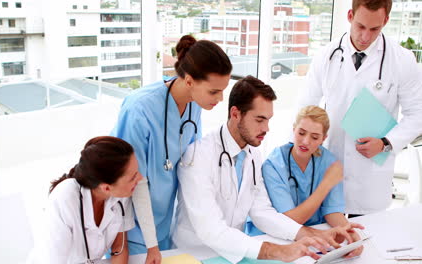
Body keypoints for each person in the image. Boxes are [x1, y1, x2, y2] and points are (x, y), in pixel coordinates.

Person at [173, 76, 363, 264]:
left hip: (235, 253)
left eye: (268, 120)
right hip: (195, 255)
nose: (267, 128)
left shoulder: (253, 155)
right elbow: (211, 229)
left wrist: (315, 235)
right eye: (259, 120)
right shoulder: (198, 156)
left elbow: (261, 211)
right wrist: (278, 251)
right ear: (235, 114)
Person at [111, 35, 232, 263]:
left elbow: (189, 160)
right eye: (214, 92)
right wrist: (150, 244)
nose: (220, 98)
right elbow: (132, 182)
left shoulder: (195, 105)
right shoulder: (139, 109)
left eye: (223, 90)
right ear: (189, 81)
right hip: (132, 229)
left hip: (165, 225)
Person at [299, 0, 422, 216]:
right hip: (328, 171)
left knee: (366, 243)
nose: (365, 36)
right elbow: (305, 107)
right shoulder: (326, 56)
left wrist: (386, 143)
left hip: (371, 181)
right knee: (327, 244)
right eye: (360, 26)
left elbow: (417, 115)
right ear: (349, 16)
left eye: (374, 29)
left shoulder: (402, 60)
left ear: (385, 20)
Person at [247, 105, 363, 258]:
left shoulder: (329, 162)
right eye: (301, 133)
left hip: (315, 235)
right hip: (276, 238)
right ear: (294, 129)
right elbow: (290, 220)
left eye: (315, 137)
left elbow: (332, 211)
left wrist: (350, 233)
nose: (305, 141)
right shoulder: (274, 164)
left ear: (323, 139)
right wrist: (326, 184)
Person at [47, 136, 142, 264]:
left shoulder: (120, 195)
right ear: (106, 188)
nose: (140, 178)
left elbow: (119, 248)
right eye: (133, 177)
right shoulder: (65, 196)